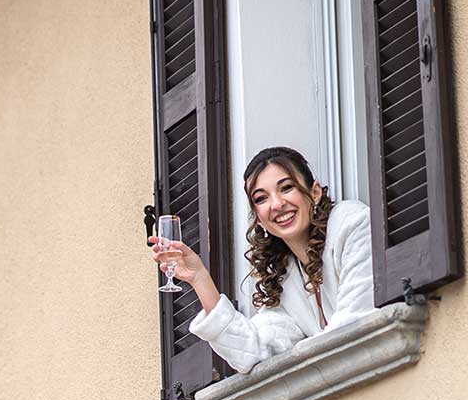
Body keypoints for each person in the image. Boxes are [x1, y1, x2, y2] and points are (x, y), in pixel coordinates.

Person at [148, 146, 375, 374]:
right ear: (258, 217)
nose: (276, 204)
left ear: (314, 192)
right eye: (261, 198)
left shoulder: (352, 223)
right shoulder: (286, 277)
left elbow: (352, 325)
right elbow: (251, 351)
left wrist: (301, 357)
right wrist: (199, 278)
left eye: (286, 188)